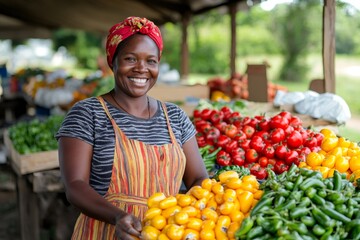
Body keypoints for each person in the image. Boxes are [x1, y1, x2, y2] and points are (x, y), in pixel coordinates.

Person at [56, 16, 209, 240]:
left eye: (151, 61)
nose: (141, 69)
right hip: (104, 231)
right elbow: (75, 186)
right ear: (113, 61)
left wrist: (186, 219)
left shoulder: (175, 117)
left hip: (164, 233)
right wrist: (118, 217)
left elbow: (198, 179)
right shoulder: (88, 114)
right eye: (130, 59)